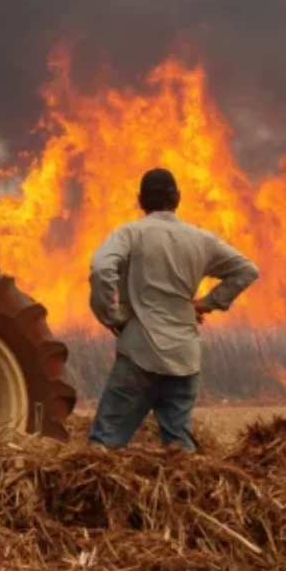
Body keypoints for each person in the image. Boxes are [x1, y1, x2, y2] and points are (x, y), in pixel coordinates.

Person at [87, 168, 260, 451]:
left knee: (103, 447)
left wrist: (111, 316)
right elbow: (247, 271)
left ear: (140, 200)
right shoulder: (201, 240)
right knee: (179, 455)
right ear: (178, 198)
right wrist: (207, 303)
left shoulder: (130, 233)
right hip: (184, 358)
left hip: (139, 354)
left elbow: (102, 268)